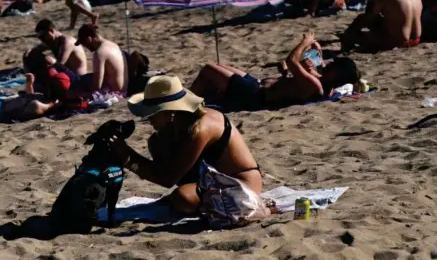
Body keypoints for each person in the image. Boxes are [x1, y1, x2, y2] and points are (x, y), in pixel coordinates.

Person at [106, 75, 261, 215]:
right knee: (157, 143)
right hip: (210, 179)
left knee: (183, 198)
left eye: (152, 114)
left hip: (241, 184)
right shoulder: (178, 124)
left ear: (170, 112)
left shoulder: (199, 129)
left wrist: (128, 157)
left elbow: (167, 179)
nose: (149, 120)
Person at [190, 32, 361, 111]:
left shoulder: (315, 85)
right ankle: (201, 98)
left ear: (337, 75)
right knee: (217, 69)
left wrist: (305, 42)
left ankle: (187, 103)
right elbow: (310, 64)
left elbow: (292, 61)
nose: (329, 64)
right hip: (256, 84)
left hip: (254, 94)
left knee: (209, 69)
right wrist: (315, 50)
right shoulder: (321, 81)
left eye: (334, 66)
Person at [342, 0, 422, 52]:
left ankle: (346, 47)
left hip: (398, 41)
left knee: (355, 29)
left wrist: (372, 0)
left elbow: (369, 15)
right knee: (379, 20)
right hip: (415, 39)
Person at [74, 23, 128, 94]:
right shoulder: (113, 45)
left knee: (74, 89)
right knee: (84, 78)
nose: (85, 47)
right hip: (124, 91)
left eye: (84, 43)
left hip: (112, 94)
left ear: (89, 39)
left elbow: (97, 87)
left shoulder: (100, 53)